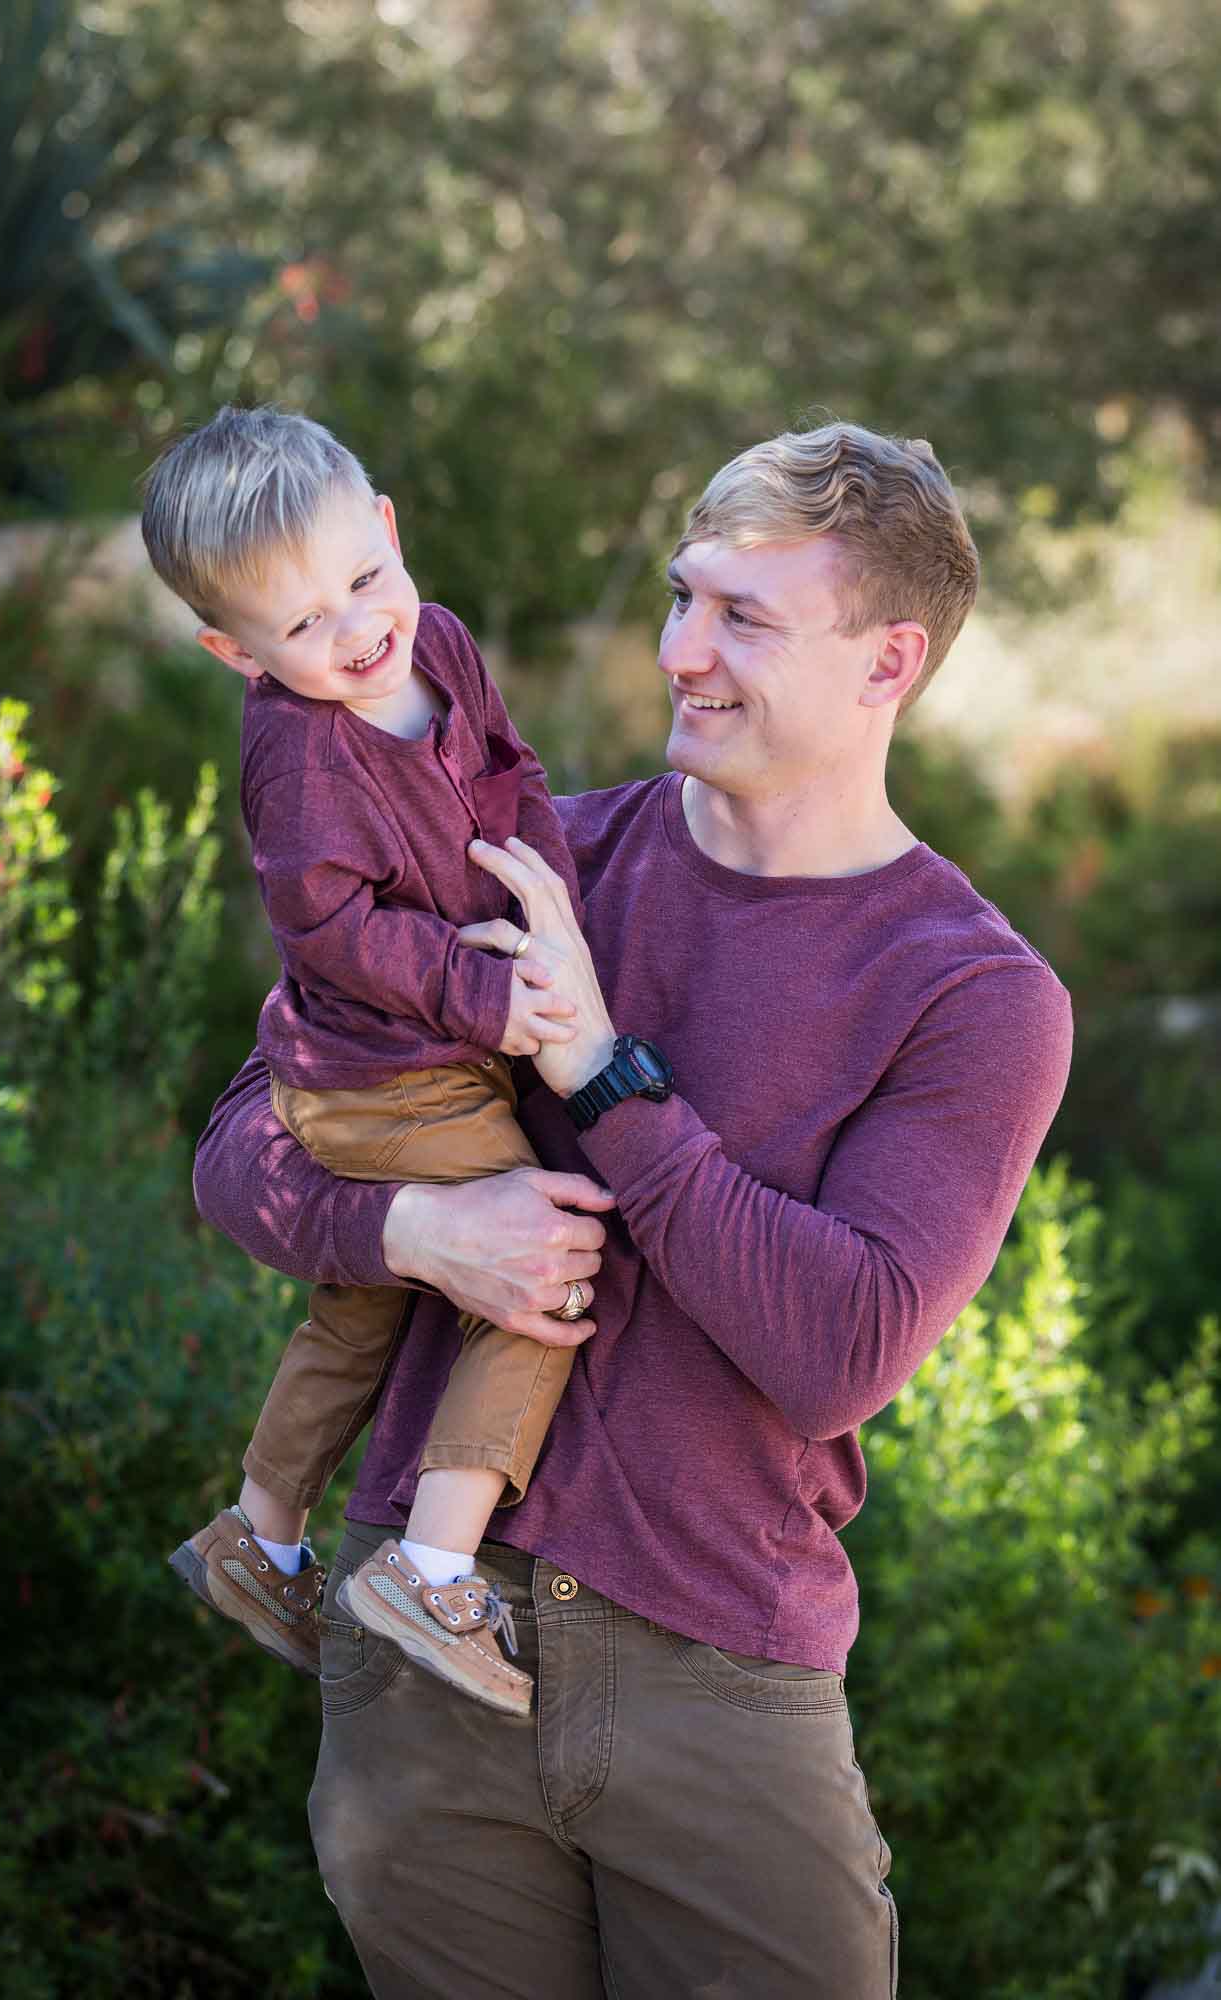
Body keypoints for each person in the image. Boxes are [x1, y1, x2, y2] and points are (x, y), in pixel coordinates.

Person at [192, 422, 1074, 1999]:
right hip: (422, 1654)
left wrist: (601, 1069)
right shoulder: (540, 859)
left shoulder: (971, 994)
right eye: (683, 596)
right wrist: (408, 1237)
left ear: (888, 663)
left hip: (716, 1681)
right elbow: (241, 1143)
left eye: (743, 620)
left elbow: (837, 1349)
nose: (679, 653)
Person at [142, 404, 605, 1717]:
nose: (355, 630)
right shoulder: (300, 766)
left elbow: (512, 781)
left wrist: (546, 919)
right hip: (378, 1076)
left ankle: (260, 1532)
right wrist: (481, 990)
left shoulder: (439, 642)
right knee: (541, 1276)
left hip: (420, 1048)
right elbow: (330, 933)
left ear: (389, 531)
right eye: (302, 625)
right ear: (234, 652)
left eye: (364, 578)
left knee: (364, 1303)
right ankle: (432, 1565)